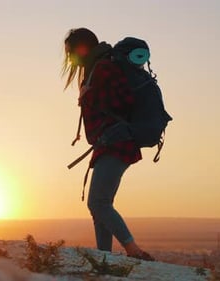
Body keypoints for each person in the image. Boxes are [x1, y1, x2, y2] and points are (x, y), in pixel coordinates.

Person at [62, 28, 155, 261]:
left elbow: (123, 100)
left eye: (72, 53)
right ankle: (105, 257)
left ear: (82, 48)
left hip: (117, 142)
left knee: (98, 202)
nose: (71, 59)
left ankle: (133, 251)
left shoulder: (104, 66)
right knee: (99, 206)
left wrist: (87, 96)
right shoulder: (99, 67)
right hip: (109, 142)